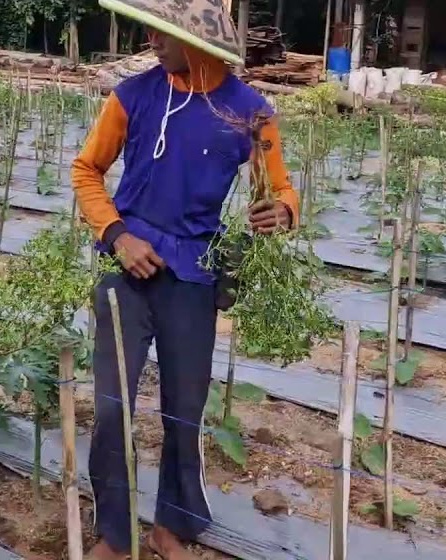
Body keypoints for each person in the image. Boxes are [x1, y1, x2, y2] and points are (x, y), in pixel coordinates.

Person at [71, 30, 298, 559]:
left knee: (185, 407)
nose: (152, 42)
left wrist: (284, 209)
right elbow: (86, 170)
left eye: (164, 34)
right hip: (127, 270)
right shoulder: (133, 96)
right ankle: (116, 532)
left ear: (200, 41)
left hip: (195, 274)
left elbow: (278, 188)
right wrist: (116, 235)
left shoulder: (251, 114)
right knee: (110, 406)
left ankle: (173, 525)